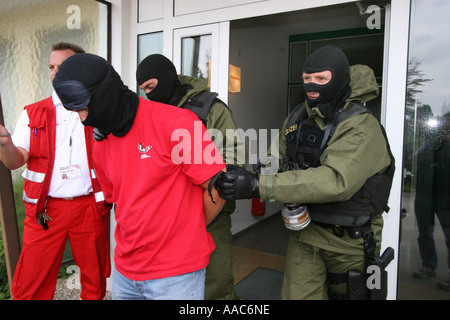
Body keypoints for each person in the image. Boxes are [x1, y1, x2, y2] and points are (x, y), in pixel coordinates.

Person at [215, 45, 395, 300]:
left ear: (340, 79)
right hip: (306, 233)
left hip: (350, 241)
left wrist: (258, 185)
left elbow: (335, 180)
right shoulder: (298, 116)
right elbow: (274, 160)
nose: (313, 85)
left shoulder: (361, 124)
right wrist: (242, 174)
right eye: (308, 79)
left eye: (322, 79)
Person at [52, 53, 227, 300]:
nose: (82, 119)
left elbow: (219, 188)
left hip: (175, 275)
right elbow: (120, 205)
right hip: (125, 274)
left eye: (84, 108)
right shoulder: (101, 143)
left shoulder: (178, 122)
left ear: (103, 95)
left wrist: (185, 233)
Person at [0, 42, 112, 300]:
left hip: (90, 208)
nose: (54, 72)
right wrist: (5, 145)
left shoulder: (99, 111)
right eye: (51, 67)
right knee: (32, 283)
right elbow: (15, 161)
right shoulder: (33, 112)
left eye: (62, 66)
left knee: (94, 283)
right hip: (45, 211)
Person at [135, 54, 244, 300]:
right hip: (163, 215)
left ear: (165, 79)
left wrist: (210, 197)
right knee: (171, 286)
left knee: (215, 285)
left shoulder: (210, 109)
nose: (149, 95)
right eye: (143, 90)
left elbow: (234, 160)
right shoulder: (148, 111)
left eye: (151, 87)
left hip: (208, 213)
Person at [413, 113, 450, 291]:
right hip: (425, 194)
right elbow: (414, 159)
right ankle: (428, 265)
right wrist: (429, 144)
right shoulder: (429, 143)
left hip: (446, 196)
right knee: (424, 232)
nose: (444, 129)